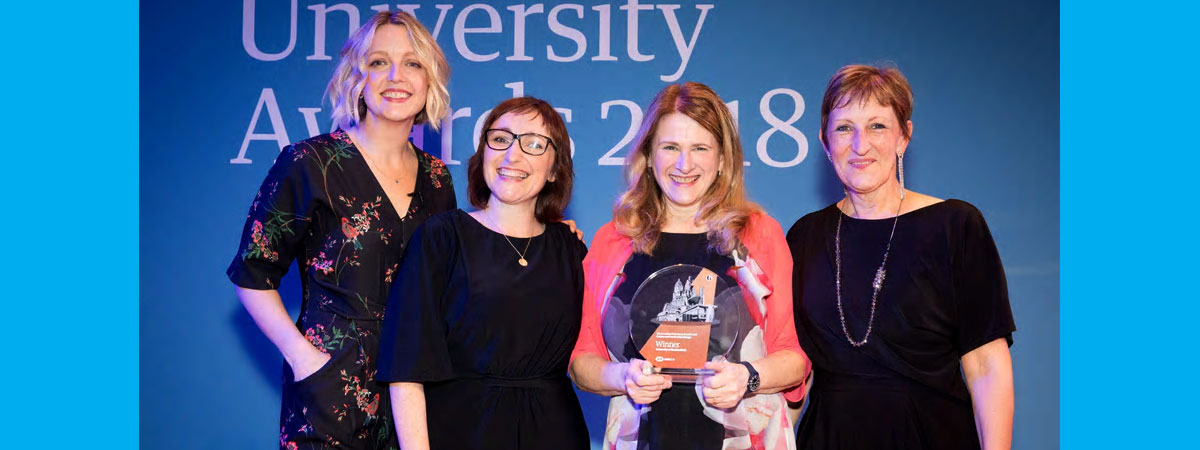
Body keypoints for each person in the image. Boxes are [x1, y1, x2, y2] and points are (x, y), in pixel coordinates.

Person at [226, 11, 454, 449]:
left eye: (412, 63)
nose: (395, 76)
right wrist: (303, 358)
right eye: (378, 62)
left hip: (411, 401)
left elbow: (447, 286)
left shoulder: (438, 179)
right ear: (357, 77)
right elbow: (252, 274)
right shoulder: (310, 163)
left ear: (429, 80)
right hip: (328, 395)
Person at [569, 82, 810, 450]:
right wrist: (622, 377)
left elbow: (795, 358)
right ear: (648, 156)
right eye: (670, 147)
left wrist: (747, 377)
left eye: (700, 148)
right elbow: (582, 361)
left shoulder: (758, 234)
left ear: (723, 159)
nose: (685, 164)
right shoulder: (613, 241)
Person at [787, 64, 1015, 450]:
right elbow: (798, 373)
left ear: (903, 137)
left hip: (932, 435)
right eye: (844, 128)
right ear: (825, 142)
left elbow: (986, 366)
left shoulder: (955, 226)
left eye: (877, 126)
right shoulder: (805, 236)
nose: (860, 144)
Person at [377, 97, 590, 450]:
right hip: (461, 431)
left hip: (556, 433)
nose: (513, 155)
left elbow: (595, 352)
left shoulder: (570, 249)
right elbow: (405, 367)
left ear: (555, 169)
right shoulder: (441, 236)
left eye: (534, 144)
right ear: (482, 154)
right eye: (501, 139)